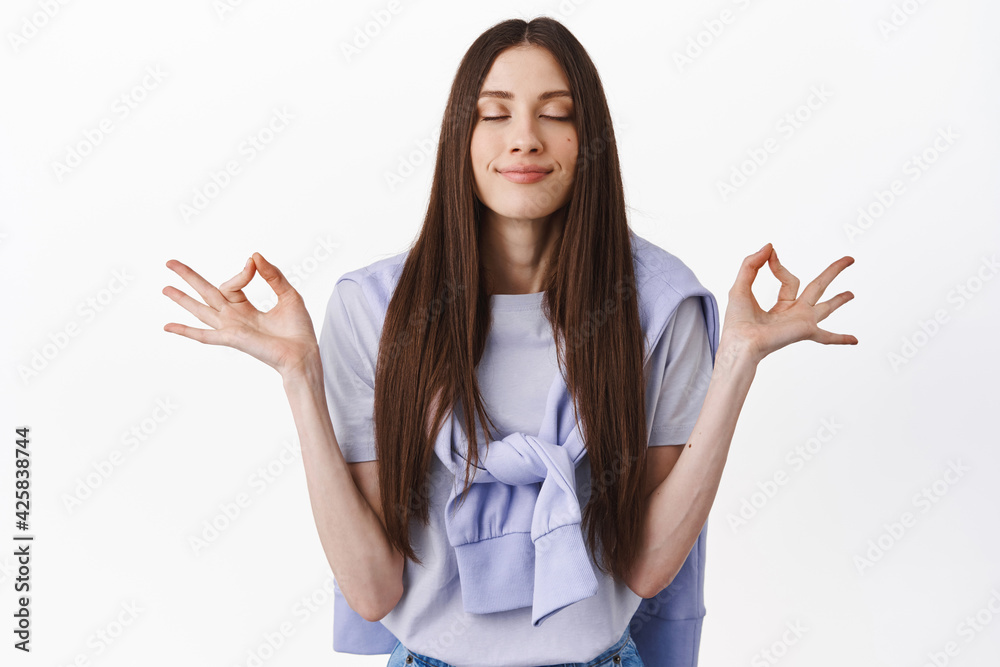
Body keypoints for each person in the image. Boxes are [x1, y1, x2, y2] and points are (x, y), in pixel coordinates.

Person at [161, 16, 856, 667]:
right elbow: (373, 590)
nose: (524, 138)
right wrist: (298, 373)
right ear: (459, 137)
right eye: (495, 114)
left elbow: (648, 566)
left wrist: (737, 361)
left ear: (592, 144)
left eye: (556, 114)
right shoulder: (374, 309)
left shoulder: (656, 304)